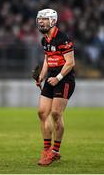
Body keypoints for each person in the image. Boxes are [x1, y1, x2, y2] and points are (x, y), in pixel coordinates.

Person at [35, 9, 75, 166]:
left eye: (44, 19)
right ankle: (46, 150)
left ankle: (55, 152)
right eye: (39, 19)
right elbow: (47, 58)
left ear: (52, 21)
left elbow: (70, 63)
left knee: (56, 114)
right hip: (51, 78)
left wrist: (58, 77)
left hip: (64, 79)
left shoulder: (63, 39)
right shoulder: (44, 40)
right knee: (42, 112)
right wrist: (42, 76)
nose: (40, 22)